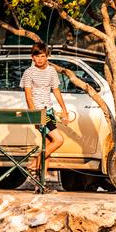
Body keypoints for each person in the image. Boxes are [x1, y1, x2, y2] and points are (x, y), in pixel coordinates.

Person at [20, 42, 69, 177]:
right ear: (32, 57)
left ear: (47, 56)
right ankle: (34, 164)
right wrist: (34, 115)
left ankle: (41, 184)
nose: (40, 59)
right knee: (59, 140)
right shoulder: (29, 73)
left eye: (42, 56)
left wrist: (64, 110)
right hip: (38, 112)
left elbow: (56, 90)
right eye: (37, 56)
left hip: (49, 110)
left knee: (48, 145)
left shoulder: (51, 71)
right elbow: (29, 97)